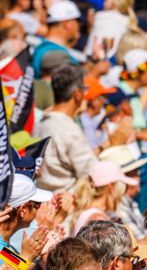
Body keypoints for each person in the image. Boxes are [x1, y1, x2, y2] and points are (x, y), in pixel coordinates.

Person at [36, 64, 99, 192]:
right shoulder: (69, 129)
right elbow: (92, 172)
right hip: (66, 203)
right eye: (84, 90)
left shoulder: (40, 123)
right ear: (77, 94)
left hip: (43, 201)